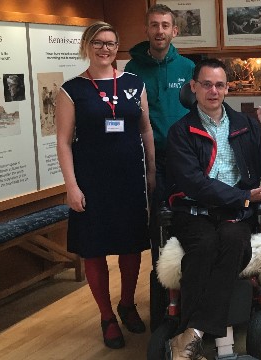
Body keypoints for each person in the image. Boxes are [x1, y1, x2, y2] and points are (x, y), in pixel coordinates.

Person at [164, 58, 261, 359]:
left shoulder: (245, 125)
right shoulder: (181, 131)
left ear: (227, 88)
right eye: (206, 84)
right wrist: (243, 198)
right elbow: (195, 184)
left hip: (236, 213)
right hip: (194, 210)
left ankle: (191, 335)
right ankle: (196, 336)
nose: (212, 91)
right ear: (194, 87)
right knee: (204, 247)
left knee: (233, 243)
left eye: (218, 85)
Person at [55, 21, 155, 349]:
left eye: (111, 43)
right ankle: (106, 316)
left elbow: (145, 130)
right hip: (91, 182)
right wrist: (71, 186)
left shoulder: (133, 83)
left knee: (130, 245)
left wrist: (151, 171)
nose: (105, 49)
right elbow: (64, 141)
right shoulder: (72, 90)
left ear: (117, 48)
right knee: (94, 248)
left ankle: (127, 303)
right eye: (98, 43)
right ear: (87, 45)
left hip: (129, 178)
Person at [124, 3, 195, 329]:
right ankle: (161, 315)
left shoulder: (189, 68)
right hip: (149, 163)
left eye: (166, 25)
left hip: (188, 162)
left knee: (191, 229)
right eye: (154, 25)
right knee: (159, 235)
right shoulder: (130, 71)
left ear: (174, 30)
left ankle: (191, 306)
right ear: (147, 29)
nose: (160, 31)